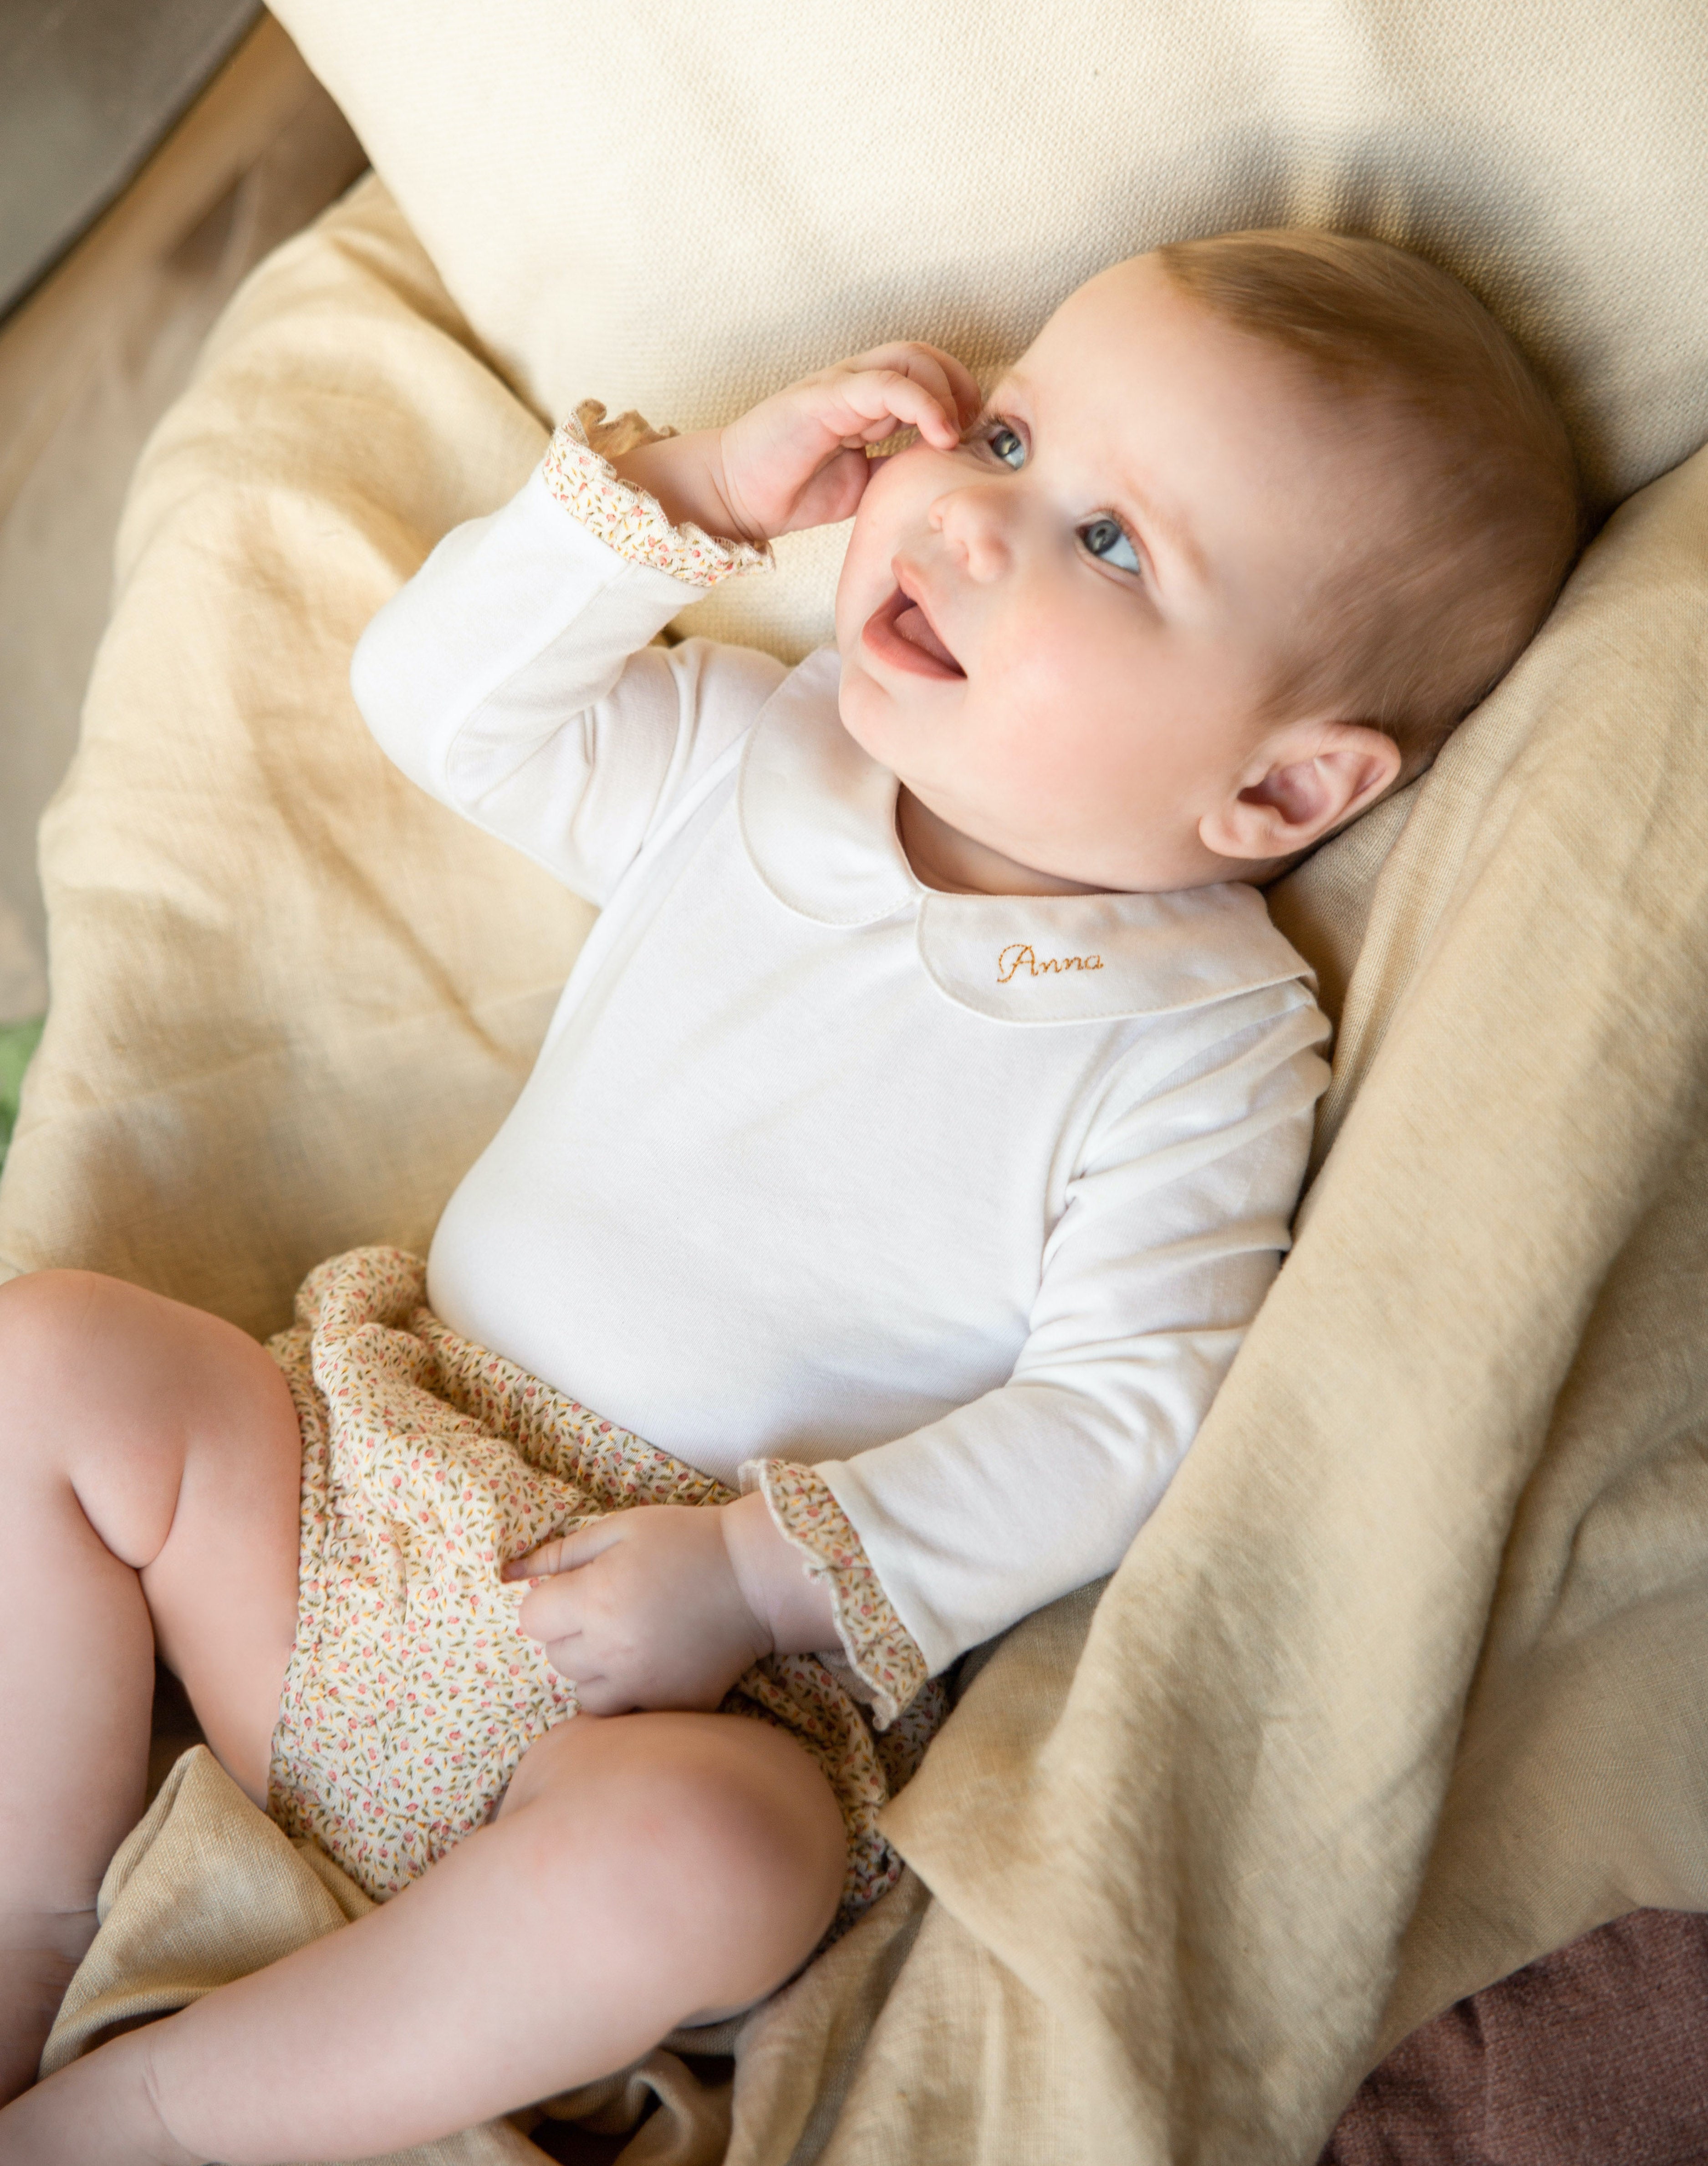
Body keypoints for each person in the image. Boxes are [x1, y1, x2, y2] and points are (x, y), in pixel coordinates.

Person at [0, 229, 1581, 2162]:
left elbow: (1123, 1415)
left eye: (1110, 545)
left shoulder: (1199, 1043)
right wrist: (684, 500)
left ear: (1276, 792)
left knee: (721, 1853)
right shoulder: (758, 753)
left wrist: (756, 1570)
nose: (975, 522)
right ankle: (36, 1915)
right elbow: (439, 701)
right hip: (357, 1515)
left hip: (677, 1686)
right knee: (53, 1364)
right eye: (1003, 439)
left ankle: (155, 2109)